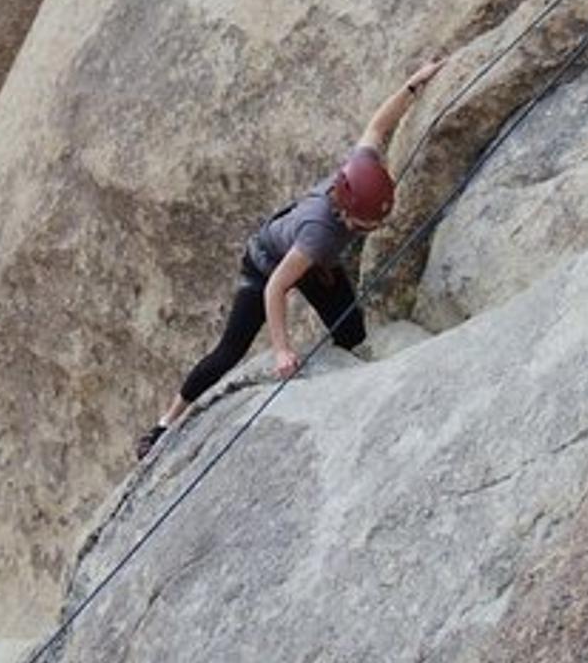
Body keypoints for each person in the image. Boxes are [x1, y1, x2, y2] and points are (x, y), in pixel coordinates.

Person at [135, 59, 444, 460]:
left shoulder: (361, 170)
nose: (371, 230)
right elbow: (277, 287)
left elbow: (377, 127)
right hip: (266, 265)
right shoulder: (320, 231)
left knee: (351, 330)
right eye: (366, 225)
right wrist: (282, 349)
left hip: (313, 261)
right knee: (229, 351)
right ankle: (164, 425)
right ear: (347, 212)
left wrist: (413, 86)